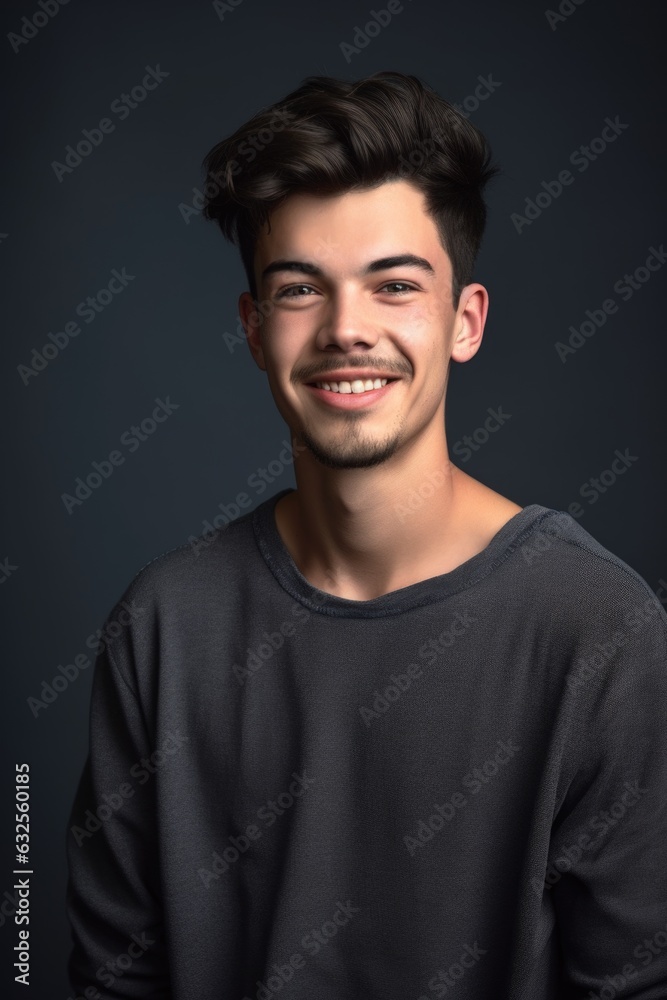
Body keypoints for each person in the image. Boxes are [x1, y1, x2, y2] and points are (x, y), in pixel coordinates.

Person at [66, 70, 667, 999]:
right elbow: (108, 980)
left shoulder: (601, 631)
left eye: (394, 285)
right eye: (301, 288)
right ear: (254, 327)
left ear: (463, 322)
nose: (348, 330)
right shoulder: (160, 626)